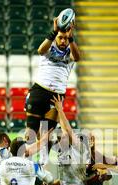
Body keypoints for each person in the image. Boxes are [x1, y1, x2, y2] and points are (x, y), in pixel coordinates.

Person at [24, 15, 81, 145]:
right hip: (39, 90)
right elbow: (40, 50)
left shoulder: (70, 50)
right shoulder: (49, 46)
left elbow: (77, 57)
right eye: (60, 38)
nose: (63, 41)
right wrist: (54, 31)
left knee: (46, 137)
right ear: (55, 38)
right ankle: (24, 161)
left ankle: (43, 164)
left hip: (56, 96)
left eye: (66, 39)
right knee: (30, 133)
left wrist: (71, 38)